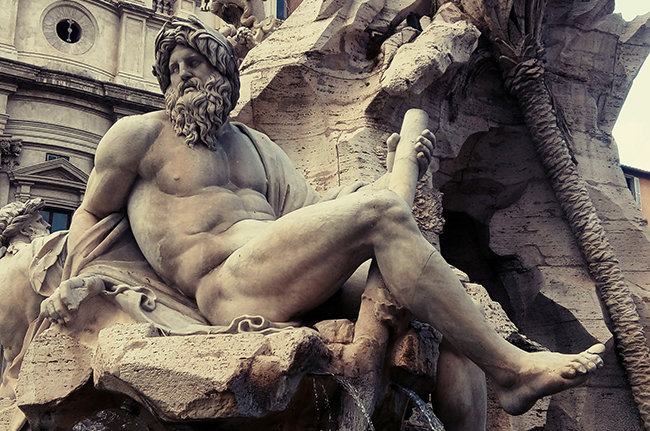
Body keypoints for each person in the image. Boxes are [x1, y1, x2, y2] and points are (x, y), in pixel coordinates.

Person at [44, 15, 604, 418]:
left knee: (456, 301)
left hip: (288, 273)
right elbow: (91, 216)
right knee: (382, 212)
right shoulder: (139, 136)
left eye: (196, 63)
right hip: (225, 286)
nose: (184, 76)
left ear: (224, 74)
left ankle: (493, 390)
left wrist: (398, 171)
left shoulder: (259, 148)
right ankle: (513, 369)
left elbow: (319, 219)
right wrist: (97, 294)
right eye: (174, 69)